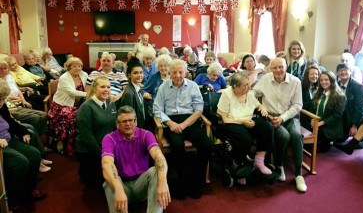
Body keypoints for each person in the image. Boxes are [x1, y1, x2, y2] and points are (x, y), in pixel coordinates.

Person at [153, 59, 213, 199]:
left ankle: (196, 181)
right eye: (174, 72)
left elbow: (198, 110)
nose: (178, 75)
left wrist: (185, 124)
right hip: (171, 120)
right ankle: (180, 182)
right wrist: (170, 123)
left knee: (207, 145)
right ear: (170, 72)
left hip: (190, 120)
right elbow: (157, 109)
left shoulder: (193, 86)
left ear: (186, 72)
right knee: (177, 145)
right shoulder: (163, 87)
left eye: (181, 72)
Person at [101, 106, 170, 213]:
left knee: (155, 171)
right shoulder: (109, 138)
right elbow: (106, 163)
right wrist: (118, 189)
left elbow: (159, 156)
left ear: (136, 121)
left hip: (141, 185)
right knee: (108, 182)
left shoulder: (146, 135)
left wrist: (163, 183)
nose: (128, 124)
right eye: (124, 121)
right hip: (122, 185)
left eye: (131, 120)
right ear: (117, 124)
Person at [253, 58, 307, 192]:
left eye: (281, 67)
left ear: (286, 67)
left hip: (289, 116)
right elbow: (253, 93)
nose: (278, 70)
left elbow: (298, 105)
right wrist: (259, 105)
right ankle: (279, 165)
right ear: (271, 69)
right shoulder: (265, 79)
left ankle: (298, 174)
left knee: (296, 135)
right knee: (283, 136)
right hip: (270, 117)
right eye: (275, 67)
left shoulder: (295, 82)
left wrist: (282, 118)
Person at [217, 72, 274, 183]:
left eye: (248, 84)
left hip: (248, 120)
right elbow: (224, 119)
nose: (249, 87)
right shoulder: (227, 94)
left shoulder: (249, 93)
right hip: (232, 123)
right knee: (245, 140)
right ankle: (238, 164)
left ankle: (259, 161)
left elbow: (257, 104)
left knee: (266, 126)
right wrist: (242, 121)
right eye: (245, 85)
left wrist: (262, 107)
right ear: (235, 87)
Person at [0, 79, 45, 211]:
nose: (2, 103)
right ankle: (13, 198)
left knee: (34, 154)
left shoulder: (1, 104)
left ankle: (29, 189)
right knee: (21, 161)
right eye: (0, 100)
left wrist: (22, 131)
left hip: (8, 139)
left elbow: (9, 120)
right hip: (1, 147)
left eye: (3, 100)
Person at [76, 76, 117, 189]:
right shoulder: (86, 107)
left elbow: (114, 128)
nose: (106, 89)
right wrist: (101, 154)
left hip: (106, 147)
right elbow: (87, 136)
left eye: (108, 87)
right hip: (90, 150)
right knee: (102, 185)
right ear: (94, 89)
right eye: (102, 87)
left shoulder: (111, 104)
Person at [48, 57, 88, 155]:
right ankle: (62, 141)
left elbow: (88, 87)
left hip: (78, 104)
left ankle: (79, 142)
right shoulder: (64, 77)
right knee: (69, 115)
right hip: (61, 104)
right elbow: (72, 92)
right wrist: (89, 95)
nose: (77, 68)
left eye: (79, 66)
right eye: (74, 66)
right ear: (69, 67)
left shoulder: (84, 75)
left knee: (86, 114)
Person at [310, 71, 346, 152]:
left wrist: (320, 123)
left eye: (326, 80)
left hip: (328, 126)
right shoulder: (318, 93)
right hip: (316, 122)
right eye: (321, 80)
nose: (323, 82)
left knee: (317, 149)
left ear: (332, 81)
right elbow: (312, 108)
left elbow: (336, 115)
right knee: (303, 142)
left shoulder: (340, 96)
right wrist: (313, 120)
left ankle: (330, 142)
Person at [337, 63, 363, 142]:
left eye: (345, 70)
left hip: (359, 116)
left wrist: (354, 126)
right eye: (340, 70)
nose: (343, 72)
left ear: (350, 72)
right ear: (337, 73)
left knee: (356, 143)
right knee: (339, 140)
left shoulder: (358, 86)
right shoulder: (336, 85)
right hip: (345, 116)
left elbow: (359, 108)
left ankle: (360, 135)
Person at [116, 57, 146, 128]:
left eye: (141, 72)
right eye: (135, 73)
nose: (139, 75)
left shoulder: (137, 88)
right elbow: (128, 119)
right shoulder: (128, 94)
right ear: (129, 75)